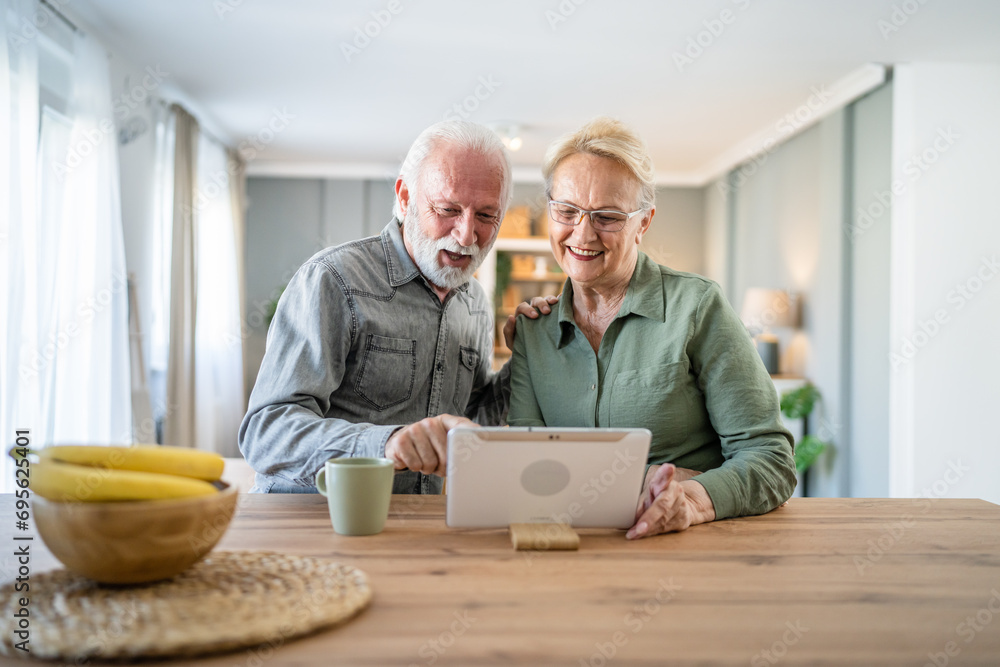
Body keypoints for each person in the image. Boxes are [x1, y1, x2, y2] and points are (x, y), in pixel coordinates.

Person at [507, 117, 796, 538]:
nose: (582, 234)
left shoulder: (697, 307)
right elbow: (527, 467)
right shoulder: (533, 331)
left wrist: (694, 498)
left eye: (607, 216)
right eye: (567, 211)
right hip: (571, 553)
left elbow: (770, 458)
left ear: (643, 222)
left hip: (687, 555)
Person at [239, 120, 512, 494]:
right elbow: (266, 433)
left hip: (413, 532)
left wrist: (531, 354)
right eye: (448, 209)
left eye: (485, 215)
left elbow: (472, 424)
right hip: (313, 527)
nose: (467, 235)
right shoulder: (333, 280)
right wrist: (384, 445)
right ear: (404, 198)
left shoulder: (475, 303)